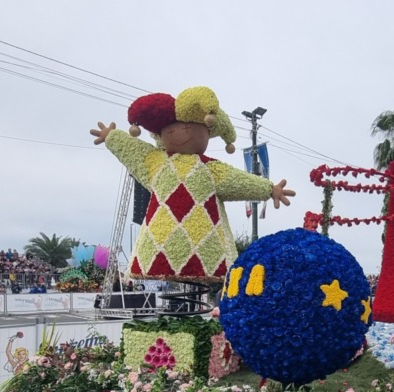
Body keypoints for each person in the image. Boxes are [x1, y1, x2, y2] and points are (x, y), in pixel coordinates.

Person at [91, 86, 294, 283]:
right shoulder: (155, 161)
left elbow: (238, 180)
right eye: (171, 126)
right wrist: (112, 137)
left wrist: (269, 189)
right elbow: (133, 149)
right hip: (161, 246)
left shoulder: (208, 168)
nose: (178, 130)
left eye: (187, 124)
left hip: (203, 248)